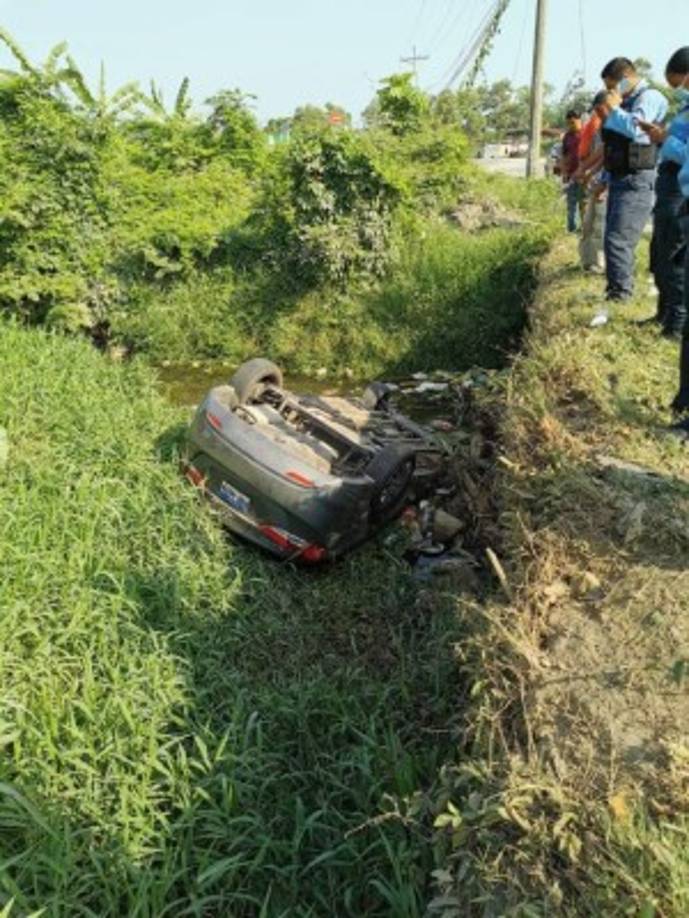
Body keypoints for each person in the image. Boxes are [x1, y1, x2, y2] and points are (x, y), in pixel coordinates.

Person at [590, 58, 668, 328]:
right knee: (612, 237)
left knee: (619, 240)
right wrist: (603, 178)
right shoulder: (623, 104)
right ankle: (616, 290)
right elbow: (615, 146)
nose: (612, 93)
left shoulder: (651, 97)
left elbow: (637, 132)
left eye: (613, 87)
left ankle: (621, 296)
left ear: (625, 77)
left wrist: (614, 110)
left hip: (637, 179)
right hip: (620, 177)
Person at [639, 48, 689, 338]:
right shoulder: (683, 111)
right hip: (669, 183)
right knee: (659, 253)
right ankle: (664, 313)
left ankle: (677, 322)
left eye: (679, 84)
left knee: (673, 256)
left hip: (679, 190)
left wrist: (665, 139)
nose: (678, 91)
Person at [575, 93, 608, 273]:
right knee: (587, 225)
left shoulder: (613, 130)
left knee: (599, 227)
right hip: (595, 182)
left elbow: (607, 157)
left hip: (604, 185)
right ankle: (587, 262)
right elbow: (598, 155)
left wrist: (602, 181)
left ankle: (600, 265)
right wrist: (588, 172)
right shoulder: (597, 130)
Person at [561, 109, 583, 232]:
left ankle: (583, 230)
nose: (571, 126)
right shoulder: (567, 136)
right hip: (571, 175)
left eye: (573, 123)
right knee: (571, 205)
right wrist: (564, 172)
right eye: (568, 123)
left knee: (583, 204)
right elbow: (564, 155)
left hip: (583, 175)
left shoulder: (587, 133)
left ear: (579, 120)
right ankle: (571, 229)